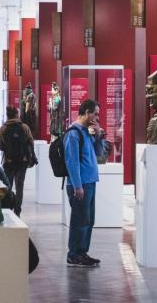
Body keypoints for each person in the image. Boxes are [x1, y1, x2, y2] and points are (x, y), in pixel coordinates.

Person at [63, 99, 105, 268]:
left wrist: (98, 136)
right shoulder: (73, 134)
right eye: (95, 114)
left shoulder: (86, 132)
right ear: (87, 112)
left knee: (88, 220)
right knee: (79, 220)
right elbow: (71, 162)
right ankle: (73, 254)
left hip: (90, 182)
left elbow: (99, 154)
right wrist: (77, 185)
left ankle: (82, 252)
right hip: (80, 185)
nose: (97, 117)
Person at [0, 106, 36, 217]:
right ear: (16, 114)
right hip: (22, 162)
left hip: (9, 161)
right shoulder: (24, 127)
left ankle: (8, 207)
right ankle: (17, 211)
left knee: (8, 186)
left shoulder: (3, 128)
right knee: (20, 187)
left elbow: (0, 147)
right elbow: (31, 142)